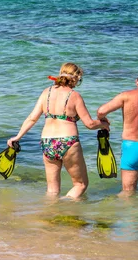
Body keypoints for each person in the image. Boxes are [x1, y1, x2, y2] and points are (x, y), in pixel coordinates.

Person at [7, 62, 109, 199]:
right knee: (80, 184)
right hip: (68, 141)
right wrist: (103, 124)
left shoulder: (46, 92)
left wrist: (17, 137)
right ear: (76, 78)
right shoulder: (74, 95)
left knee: (52, 190)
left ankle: (50, 215)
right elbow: (89, 124)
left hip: (47, 142)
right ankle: (64, 207)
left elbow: (32, 118)